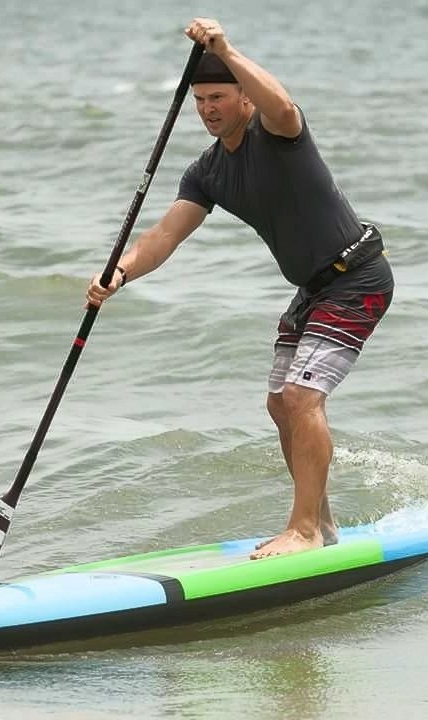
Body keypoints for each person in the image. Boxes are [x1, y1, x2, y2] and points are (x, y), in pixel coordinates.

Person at [86, 17, 394, 559]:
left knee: (302, 398)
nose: (208, 109)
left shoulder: (277, 135)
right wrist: (121, 271)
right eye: (200, 99)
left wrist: (226, 48)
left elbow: (283, 105)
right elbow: (163, 235)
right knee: (280, 405)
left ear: (243, 98)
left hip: (357, 276)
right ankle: (321, 524)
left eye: (220, 97)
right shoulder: (207, 172)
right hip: (312, 289)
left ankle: (300, 529)